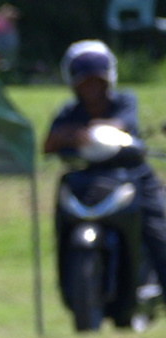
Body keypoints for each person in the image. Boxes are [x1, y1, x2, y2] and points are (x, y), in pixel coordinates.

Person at [43, 40, 166, 293]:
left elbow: (122, 123)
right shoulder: (68, 111)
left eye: (97, 82)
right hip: (85, 178)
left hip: (132, 175)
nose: (91, 88)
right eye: (85, 82)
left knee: (159, 231)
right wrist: (73, 135)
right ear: (74, 83)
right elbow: (48, 143)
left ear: (108, 80)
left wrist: (81, 134)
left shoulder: (124, 100)